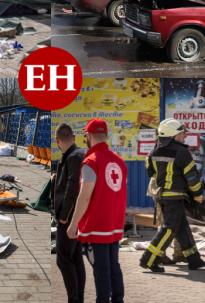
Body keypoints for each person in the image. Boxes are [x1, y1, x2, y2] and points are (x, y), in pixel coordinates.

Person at [67, 118, 127, 303]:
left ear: (88, 136)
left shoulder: (91, 162)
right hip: (114, 224)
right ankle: (118, 300)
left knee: (101, 269)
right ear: (106, 135)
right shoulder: (119, 161)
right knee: (113, 266)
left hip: (96, 226)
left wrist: (73, 224)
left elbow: (85, 197)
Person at [139, 118, 205, 273]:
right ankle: (148, 259)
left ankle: (194, 260)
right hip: (175, 197)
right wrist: (198, 195)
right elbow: (192, 178)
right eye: (181, 132)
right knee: (169, 228)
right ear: (173, 135)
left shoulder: (153, 150)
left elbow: (150, 171)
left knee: (182, 227)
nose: (184, 135)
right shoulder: (183, 152)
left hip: (161, 196)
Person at [52, 123, 86, 303]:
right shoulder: (77, 154)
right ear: (73, 137)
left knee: (63, 260)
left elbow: (72, 190)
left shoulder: (72, 157)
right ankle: (78, 298)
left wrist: (63, 218)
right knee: (75, 258)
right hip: (78, 215)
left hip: (70, 217)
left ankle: (74, 299)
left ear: (57, 140)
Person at [146, 174, 185, 264]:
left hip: (168, 190)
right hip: (165, 191)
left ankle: (178, 254)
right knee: (164, 225)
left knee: (177, 224)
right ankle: (160, 255)